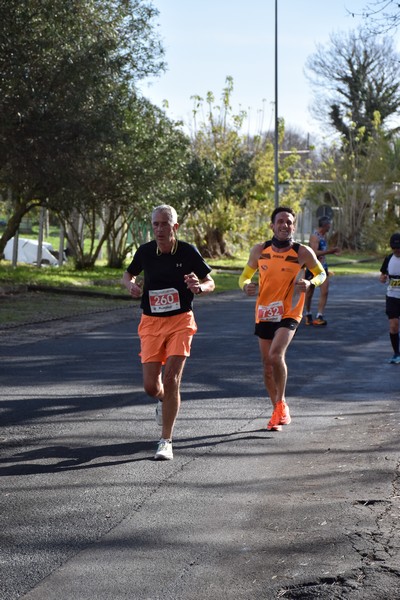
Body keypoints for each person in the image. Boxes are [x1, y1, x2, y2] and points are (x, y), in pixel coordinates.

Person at [122, 204, 215, 460]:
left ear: (175, 227)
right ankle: (163, 402)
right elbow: (127, 274)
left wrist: (199, 288)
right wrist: (130, 285)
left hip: (181, 321)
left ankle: (166, 440)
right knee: (152, 387)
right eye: (155, 224)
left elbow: (210, 281)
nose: (159, 229)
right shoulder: (145, 252)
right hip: (151, 322)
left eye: (164, 224)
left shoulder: (187, 251)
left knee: (172, 378)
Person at [239, 206, 326, 431]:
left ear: (293, 226)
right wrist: (246, 286)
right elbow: (244, 277)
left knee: (276, 354)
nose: (284, 225)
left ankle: (282, 401)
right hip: (265, 312)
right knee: (267, 367)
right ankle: (277, 410)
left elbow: (321, 274)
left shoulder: (302, 252)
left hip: (289, 312)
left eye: (289, 222)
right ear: (272, 225)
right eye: (280, 221)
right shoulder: (259, 250)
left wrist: (310, 283)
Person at [304, 216, 340, 326]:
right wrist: (330, 251)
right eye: (329, 225)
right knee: (309, 292)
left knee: (325, 290)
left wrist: (332, 251)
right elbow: (314, 253)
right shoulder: (315, 237)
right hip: (313, 267)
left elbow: (323, 251)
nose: (330, 227)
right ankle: (308, 314)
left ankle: (319, 315)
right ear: (324, 225)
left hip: (323, 267)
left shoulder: (324, 236)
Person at [379, 232, 400, 364]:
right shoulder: (388, 259)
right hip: (392, 296)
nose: (397, 250)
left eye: (399, 247)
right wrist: (382, 278)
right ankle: (396, 354)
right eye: (394, 247)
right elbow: (382, 275)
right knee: (393, 326)